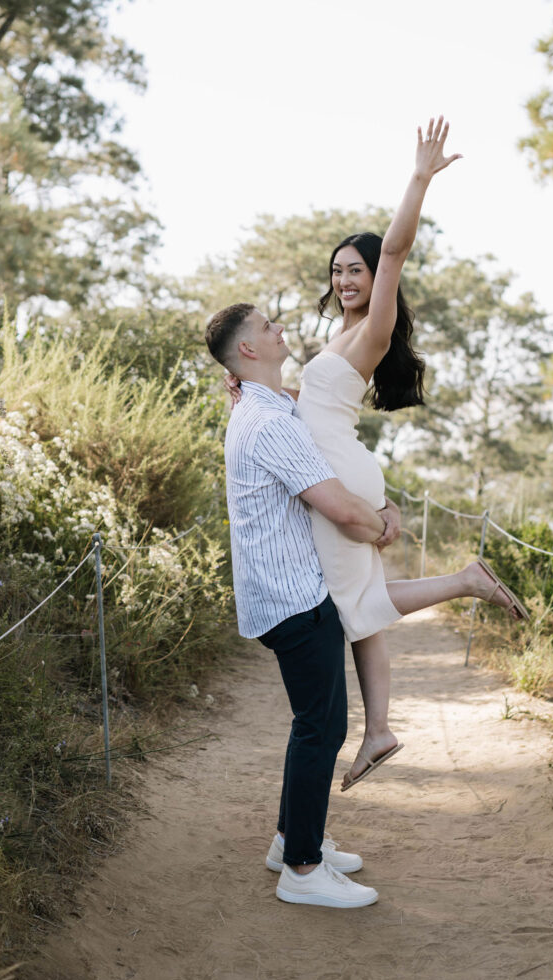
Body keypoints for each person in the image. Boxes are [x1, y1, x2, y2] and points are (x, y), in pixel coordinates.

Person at [225, 116, 529, 792]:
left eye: (354, 268)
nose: (344, 279)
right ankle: (381, 727)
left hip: (334, 468)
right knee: (354, 600)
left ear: (375, 273)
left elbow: (394, 251)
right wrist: (244, 385)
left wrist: (418, 179)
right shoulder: (340, 332)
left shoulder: (374, 328)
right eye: (336, 271)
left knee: (343, 602)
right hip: (338, 465)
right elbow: (299, 402)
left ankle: (459, 589)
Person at [204, 302, 400, 908]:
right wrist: (384, 525)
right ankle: (302, 868)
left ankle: (291, 837)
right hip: (293, 597)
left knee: (314, 723)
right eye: (267, 326)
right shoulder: (269, 423)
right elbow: (337, 506)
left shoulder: (268, 407)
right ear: (247, 352)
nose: (279, 328)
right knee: (321, 727)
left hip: (283, 590)